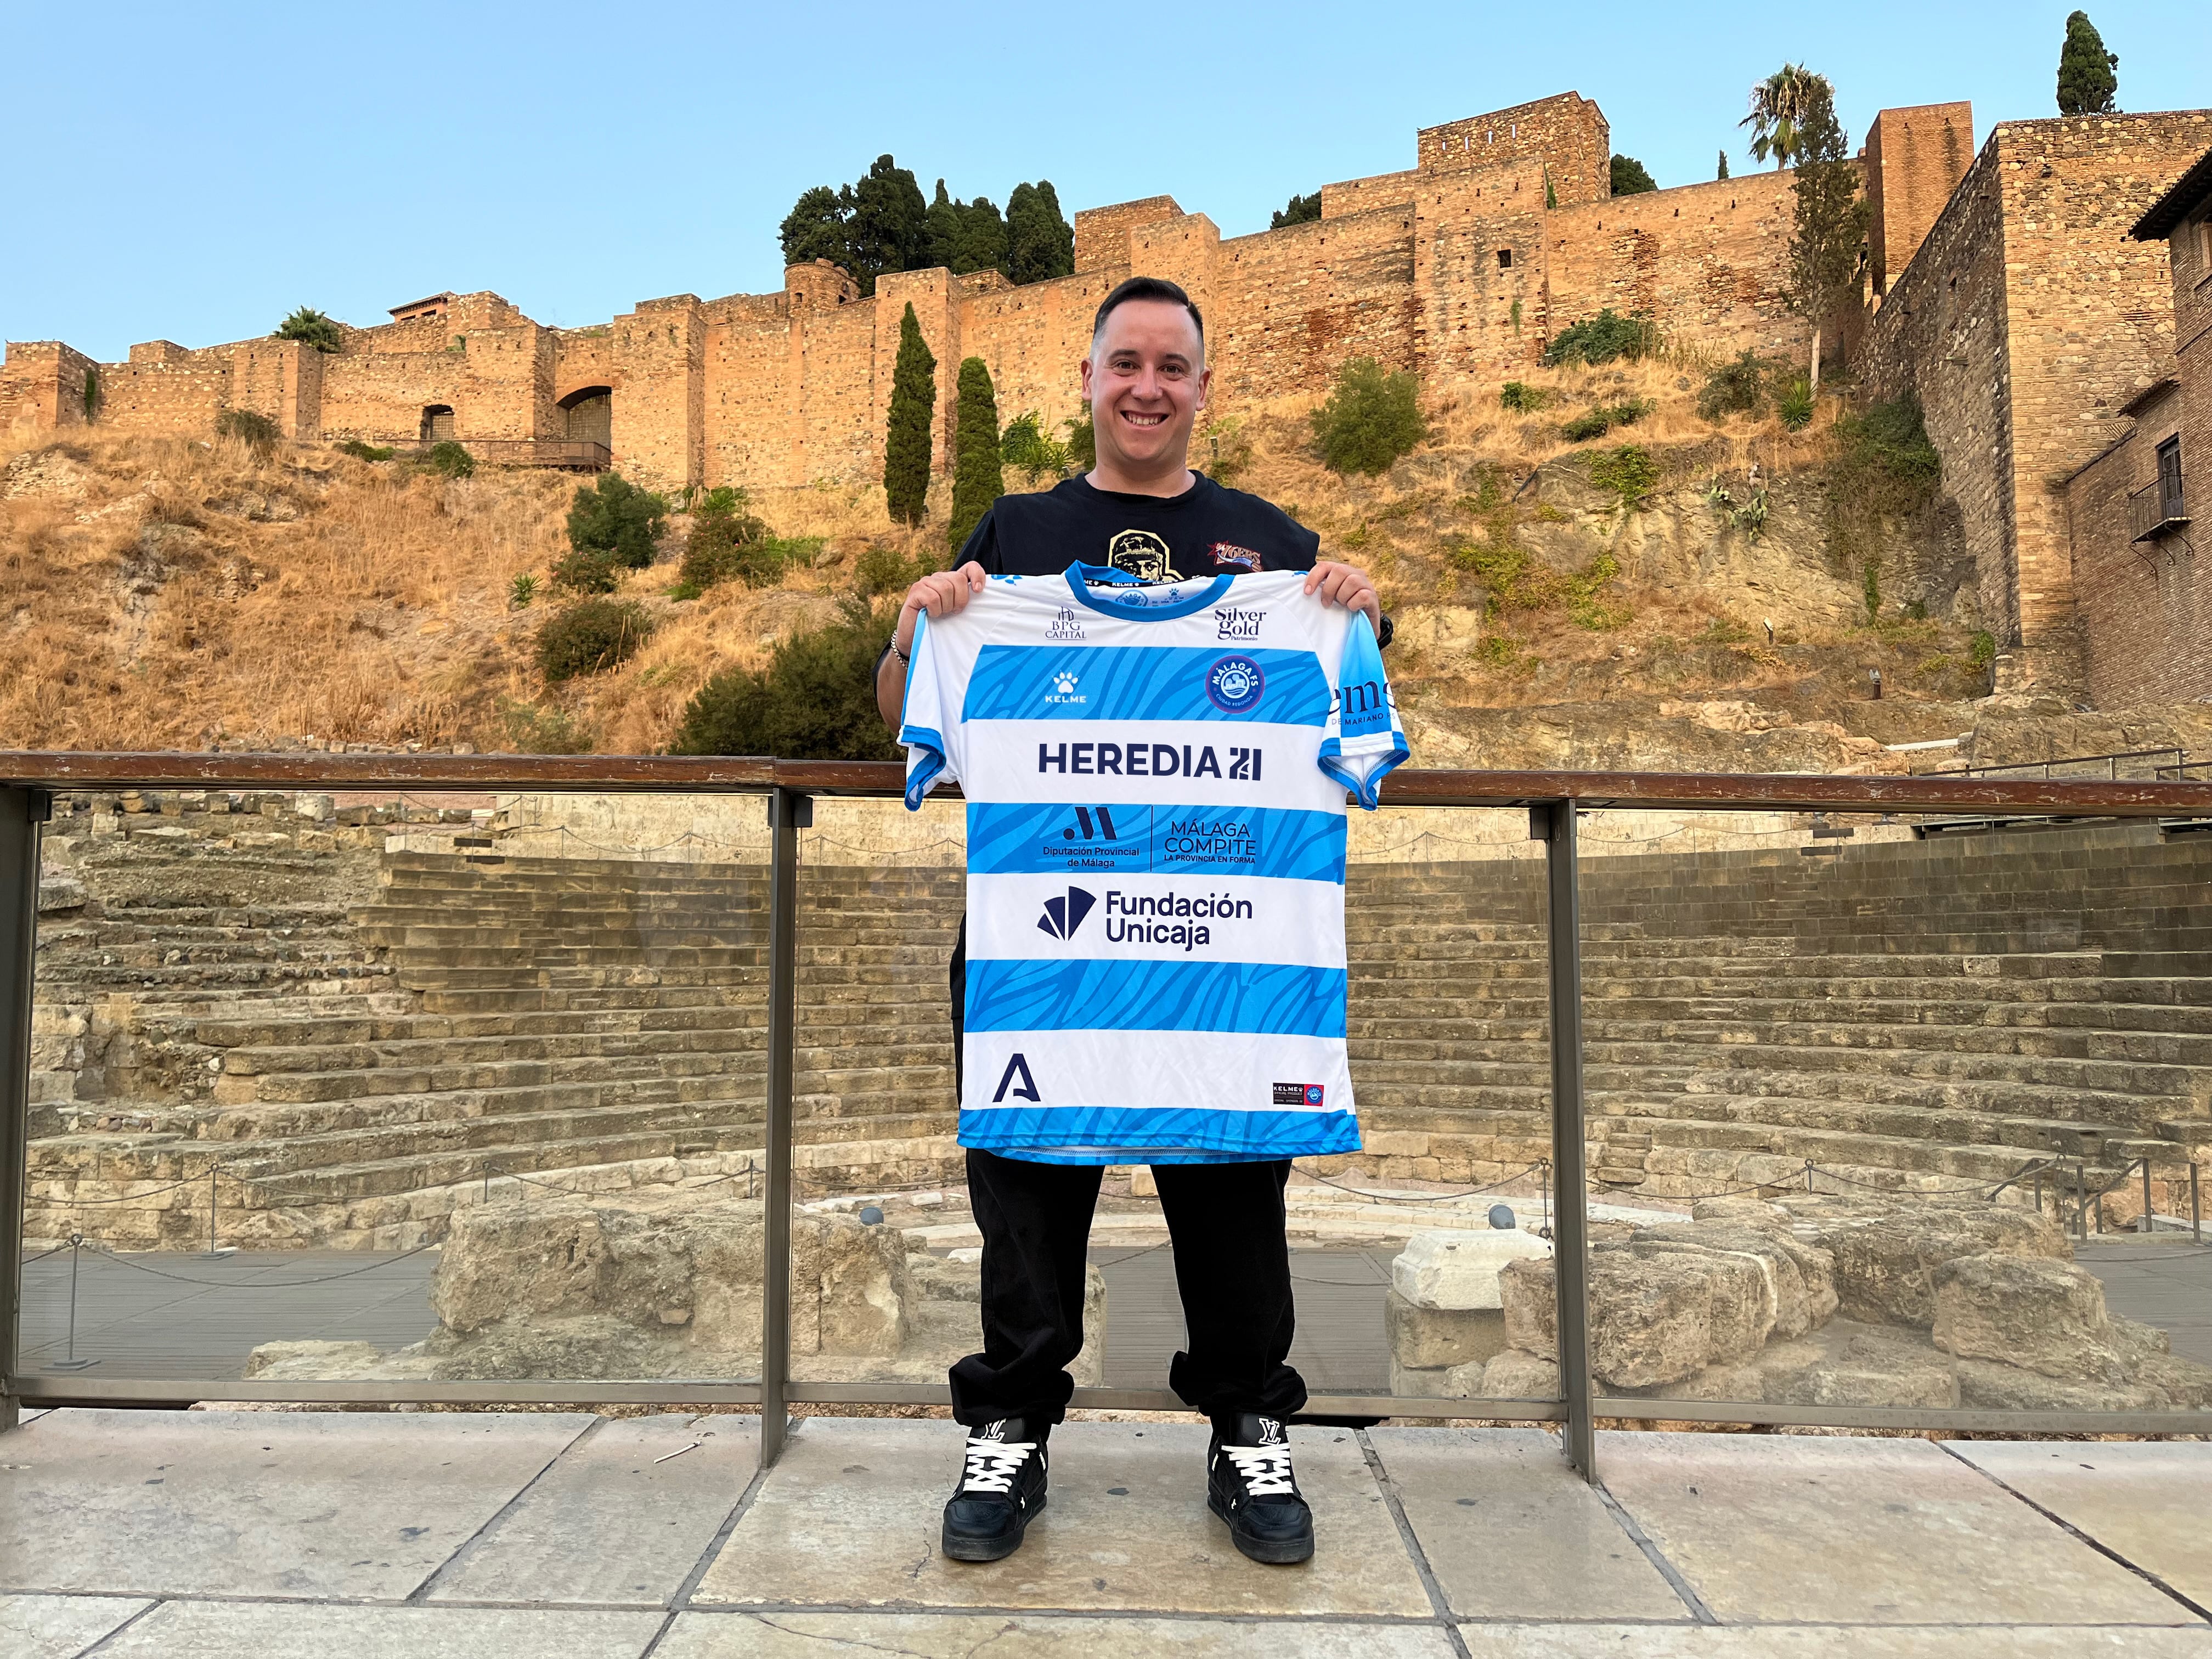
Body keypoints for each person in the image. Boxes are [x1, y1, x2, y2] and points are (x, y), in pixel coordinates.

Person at [875, 276, 1391, 1567]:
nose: (1148, 387)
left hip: (1220, 943)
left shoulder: (1276, 548)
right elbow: (906, 716)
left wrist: (1358, 613)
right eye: (1126, 364)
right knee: (1028, 1200)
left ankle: (1247, 1432)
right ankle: (1011, 1432)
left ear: (1204, 389)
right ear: (1090, 381)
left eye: (1173, 366)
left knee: (1232, 1194)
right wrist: (914, 623)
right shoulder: (1020, 531)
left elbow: (1353, 728)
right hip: (1043, 944)